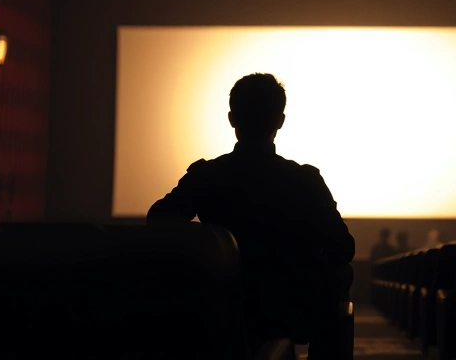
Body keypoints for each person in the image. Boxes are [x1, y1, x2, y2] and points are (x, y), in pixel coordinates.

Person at [147, 73, 355, 357]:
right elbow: (343, 248)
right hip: (289, 311)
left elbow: (159, 219)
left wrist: (207, 239)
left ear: (232, 119)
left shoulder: (207, 175)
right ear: (280, 121)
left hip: (223, 305)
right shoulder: (305, 180)